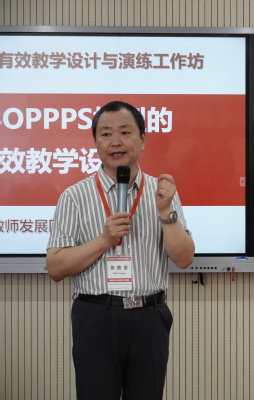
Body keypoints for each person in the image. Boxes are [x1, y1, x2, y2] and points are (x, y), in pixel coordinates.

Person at [46, 100, 195, 400]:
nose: (115, 141)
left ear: (143, 139)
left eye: (125, 132)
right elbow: (56, 267)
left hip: (150, 316)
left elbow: (183, 258)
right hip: (96, 316)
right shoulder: (74, 196)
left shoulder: (162, 193)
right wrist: (104, 239)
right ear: (95, 142)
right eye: (106, 134)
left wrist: (165, 212)